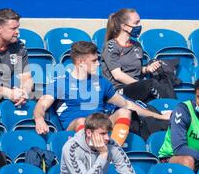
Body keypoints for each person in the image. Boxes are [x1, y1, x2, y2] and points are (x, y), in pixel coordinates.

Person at [34, 41, 170, 147]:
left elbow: (127, 104)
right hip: (76, 128)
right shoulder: (61, 83)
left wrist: (159, 116)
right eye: (94, 61)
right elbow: (41, 105)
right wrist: (39, 119)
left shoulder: (101, 82)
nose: (98, 64)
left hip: (101, 124)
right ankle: (90, 151)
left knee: (125, 112)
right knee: (83, 121)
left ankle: (113, 152)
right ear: (80, 63)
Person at [100, 8, 165, 102]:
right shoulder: (111, 46)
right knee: (151, 84)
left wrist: (147, 69)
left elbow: (135, 70)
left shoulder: (137, 46)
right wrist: (141, 85)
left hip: (136, 89)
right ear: (124, 26)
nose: (139, 26)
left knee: (163, 82)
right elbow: (117, 75)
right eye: (136, 23)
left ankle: (171, 107)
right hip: (117, 91)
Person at [60, 113, 137, 174]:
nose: (107, 138)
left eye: (108, 133)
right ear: (89, 133)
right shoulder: (71, 148)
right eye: (102, 133)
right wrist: (103, 154)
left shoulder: (111, 144)